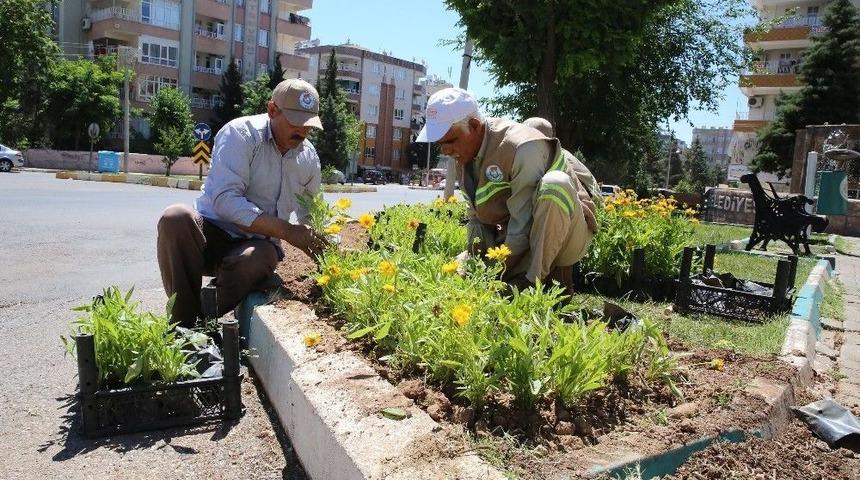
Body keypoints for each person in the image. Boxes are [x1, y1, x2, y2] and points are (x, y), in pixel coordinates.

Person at [157, 78, 328, 327]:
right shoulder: (241, 134)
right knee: (175, 218)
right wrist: (287, 231)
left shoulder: (308, 158)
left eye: (309, 125)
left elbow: (312, 213)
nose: (302, 132)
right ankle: (181, 323)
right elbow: (225, 200)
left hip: (256, 245)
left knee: (257, 258)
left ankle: (199, 323)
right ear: (272, 110)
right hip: (211, 235)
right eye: (295, 122)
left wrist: (329, 256)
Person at [417, 88, 599, 289]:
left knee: (556, 184)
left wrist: (496, 274)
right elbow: (477, 218)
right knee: (460, 268)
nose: (445, 151)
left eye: (451, 141)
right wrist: (476, 264)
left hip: (568, 235)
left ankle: (531, 283)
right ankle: (512, 278)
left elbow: (523, 226)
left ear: (475, 126)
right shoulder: (465, 155)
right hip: (516, 233)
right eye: (440, 144)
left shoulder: (522, 147)